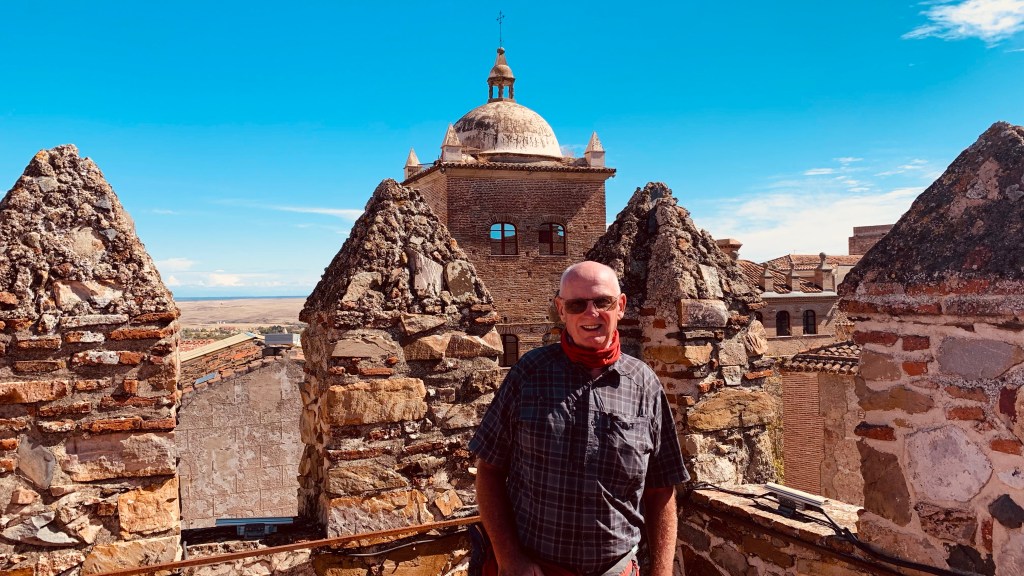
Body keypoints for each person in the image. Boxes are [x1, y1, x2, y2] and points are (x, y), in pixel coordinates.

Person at [470, 261, 689, 576]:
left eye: (602, 302)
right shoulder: (529, 374)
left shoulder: (645, 384)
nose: (591, 313)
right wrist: (509, 557)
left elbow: (661, 488)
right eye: (577, 305)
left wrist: (662, 572)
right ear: (561, 310)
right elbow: (489, 470)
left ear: (621, 306)